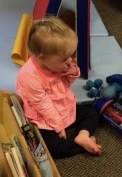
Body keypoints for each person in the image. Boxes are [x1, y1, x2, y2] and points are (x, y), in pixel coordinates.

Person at [16, 16, 102, 158]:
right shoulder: (29, 76)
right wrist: (58, 125)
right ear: (42, 58)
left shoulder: (55, 63)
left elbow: (65, 84)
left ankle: (83, 135)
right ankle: (81, 145)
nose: (69, 60)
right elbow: (42, 104)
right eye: (64, 59)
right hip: (44, 118)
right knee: (52, 148)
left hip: (64, 106)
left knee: (92, 113)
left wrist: (73, 72)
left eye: (70, 56)